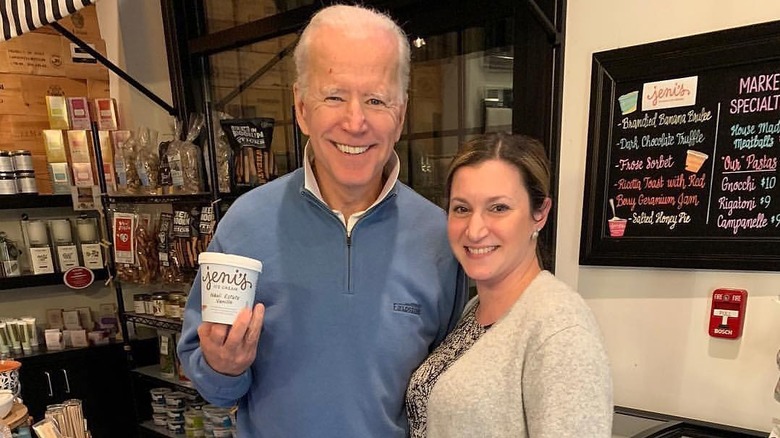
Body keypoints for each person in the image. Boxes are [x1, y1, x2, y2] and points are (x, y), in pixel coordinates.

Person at [177, 4, 467, 437]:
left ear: (401, 115)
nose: (355, 122)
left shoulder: (439, 239)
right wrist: (222, 366)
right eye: (334, 96)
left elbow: (447, 391)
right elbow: (213, 385)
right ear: (301, 107)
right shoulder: (245, 225)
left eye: (376, 100)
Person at [405, 133, 613, 437]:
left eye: (498, 208)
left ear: (539, 213)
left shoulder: (560, 328)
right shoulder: (475, 309)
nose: (475, 230)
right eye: (461, 208)